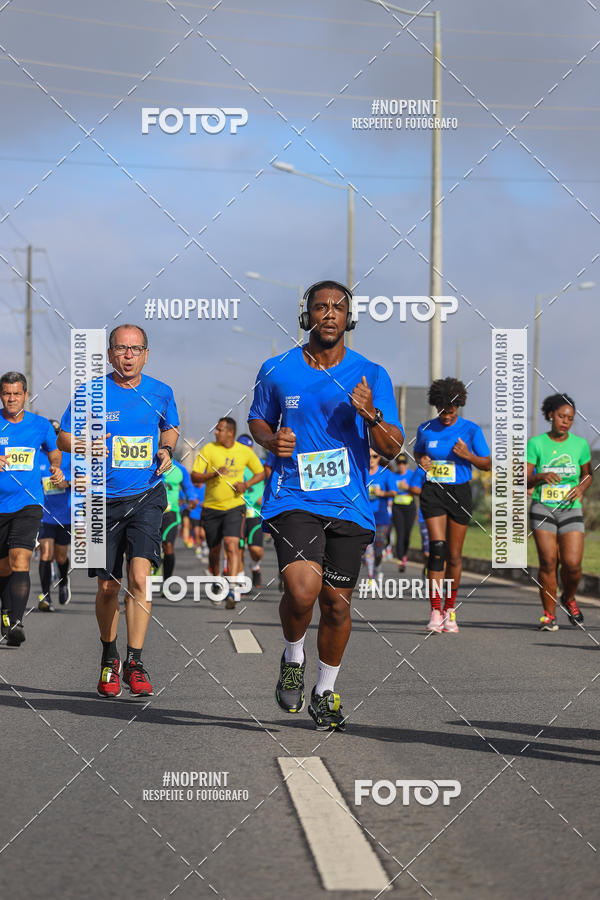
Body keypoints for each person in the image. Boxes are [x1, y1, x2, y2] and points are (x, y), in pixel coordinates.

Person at [249, 279, 404, 730]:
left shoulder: (371, 374)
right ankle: (293, 655)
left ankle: (325, 691)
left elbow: (392, 447)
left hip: (349, 503)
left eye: (339, 308)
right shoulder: (276, 368)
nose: (330, 314)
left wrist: (371, 414)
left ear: (349, 318)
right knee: (301, 591)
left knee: (336, 604)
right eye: (321, 307)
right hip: (293, 496)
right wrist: (269, 438)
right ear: (307, 315)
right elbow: (258, 418)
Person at [58, 324, 178, 698]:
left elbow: (170, 428)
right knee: (108, 585)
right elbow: (62, 435)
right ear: (110, 354)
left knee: (140, 577)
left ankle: (135, 661)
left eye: (135, 349)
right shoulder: (91, 392)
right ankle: (109, 657)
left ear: (146, 354)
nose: (128, 355)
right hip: (99, 500)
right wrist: (83, 443)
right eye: (121, 349)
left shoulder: (161, 392)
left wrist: (166, 450)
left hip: (146, 496)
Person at [414, 377, 491, 634]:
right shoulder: (425, 428)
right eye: (442, 410)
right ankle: (435, 610)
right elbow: (418, 453)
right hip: (433, 491)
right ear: (436, 406)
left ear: (459, 407)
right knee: (437, 549)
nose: (447, 415)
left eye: (451, 410)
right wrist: (422, 459)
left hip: (460, 492)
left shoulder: (471, 430)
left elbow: (487, 463)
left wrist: (467, 455)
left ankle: (450, 609)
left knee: (455, 556)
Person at [0, 373, 63, 645]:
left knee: (20, 560)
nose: (11, 399)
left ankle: (16, 621)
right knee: (3, 567)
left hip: (29, 502)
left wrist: (56, 466)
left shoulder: (40, 425)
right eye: (6, 394)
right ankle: (6, 611)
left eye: (16, 393)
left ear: (26, 394)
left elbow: (54, 450)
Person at [527, 393, 592, 631]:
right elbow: (524, 479)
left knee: (573, 564)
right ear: (550, 415)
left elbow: (587, 474)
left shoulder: (580, 444)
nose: (565, 421)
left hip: (570, 508)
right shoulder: (536, 443)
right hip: (542, 507)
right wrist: (541, 476)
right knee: (548, 561)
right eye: (562, 416)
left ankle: (568, 597)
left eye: (570, 418)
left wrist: (581, 486)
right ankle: (549, 614)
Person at [192, 417, 264, 609]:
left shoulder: (243, 452)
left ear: (230, 432)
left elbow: (261, 472)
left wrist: (246, 484)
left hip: (235, 507)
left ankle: (231, 588)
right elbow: (194, 475)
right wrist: (213, 474)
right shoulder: (209, 450)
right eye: (216, 429)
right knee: (215, 550)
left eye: (219, 429)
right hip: (211, 508)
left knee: (232, 545)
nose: (216, 432)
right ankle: (217, 580)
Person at [38, 419, 72, 610]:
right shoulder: (38, 456)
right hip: (44, 515)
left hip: (65, 515)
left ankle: (64, 581)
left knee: (60, 556)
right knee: (46, 554)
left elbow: (84, 481)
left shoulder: (69, 457)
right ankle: (45, 596)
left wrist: (66, 484)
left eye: (56, 434)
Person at [363, 449, 398, 586]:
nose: (371, 459)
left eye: (375, 456)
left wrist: (382, 493)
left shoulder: (385, 473)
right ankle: (371, 578)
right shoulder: (361, 472)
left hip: (381, 517)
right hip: (364, 517)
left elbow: (394, 492)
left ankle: (377, 567)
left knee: (378, 549)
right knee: (368, 548)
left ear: (379, 458)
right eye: (369, 456)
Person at [236, 434, 266, 589]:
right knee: (238, 548)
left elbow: (274, 484)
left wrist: (265, 497)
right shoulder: (234, 466)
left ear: (252, 449)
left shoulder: (261, 465)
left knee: (256, 550)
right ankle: (241, 583)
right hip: (237, 512)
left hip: (255, 513)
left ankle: (255, 566)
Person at [160, 459, 194, 583]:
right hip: (150, 511)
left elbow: (188, 487)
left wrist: (191, 498)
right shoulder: (149, 463)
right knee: (149, 547)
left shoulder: (180, 469)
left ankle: (167, 582)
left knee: (168, 546)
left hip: (171, 512)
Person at [391, 454, 418, 573]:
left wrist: (408, 488)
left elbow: (417, 490)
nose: (401, 466)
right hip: (397, 508)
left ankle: (404, 554)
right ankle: (400, 560)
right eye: (399, 464)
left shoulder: (412, 475)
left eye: (403, 463)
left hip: (410, 508)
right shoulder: (393, 476)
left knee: (407, 534)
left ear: (407, 464)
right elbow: (390, 491)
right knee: (400, 534)